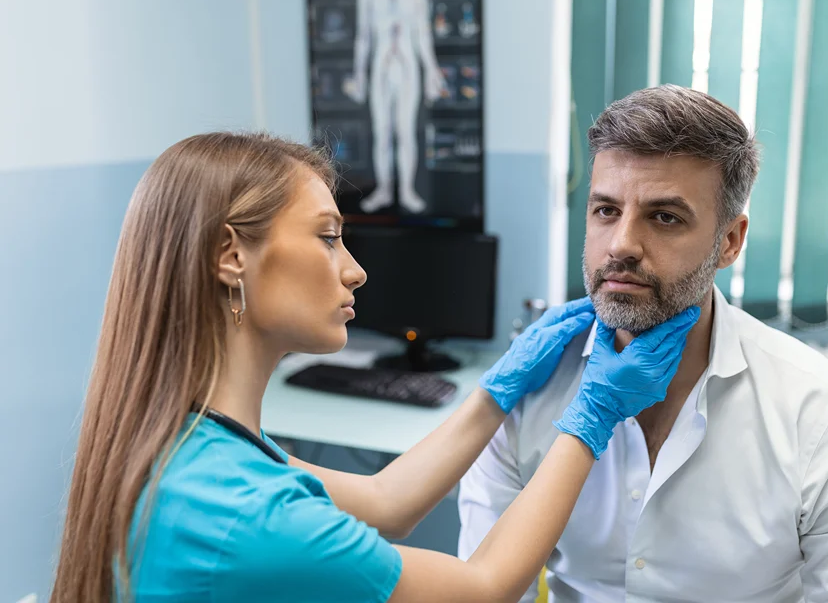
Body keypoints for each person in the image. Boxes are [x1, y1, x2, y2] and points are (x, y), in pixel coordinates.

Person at [49, 131, 699, 603]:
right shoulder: (249, 516)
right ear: (230, 256)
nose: (355, 269)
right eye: (328, 237)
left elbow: (387, 504)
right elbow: (484, 588)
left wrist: (494, 392)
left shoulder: (192, 450)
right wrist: (590, 417)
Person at [458, 85, 828, 602]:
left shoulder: (823, 419)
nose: (622, 246)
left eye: (665, 217)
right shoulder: (526, 390)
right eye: (606, 211)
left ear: (730, 241)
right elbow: (482, 589)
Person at [345, 0, 445, 214]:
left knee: (405, 130)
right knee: (382, 132)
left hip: (407, 66)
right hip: (381, 67)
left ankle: (407, 190)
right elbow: (363, 37)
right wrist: (358, 75)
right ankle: (384, 189)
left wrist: (431, 70)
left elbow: (422, 33)